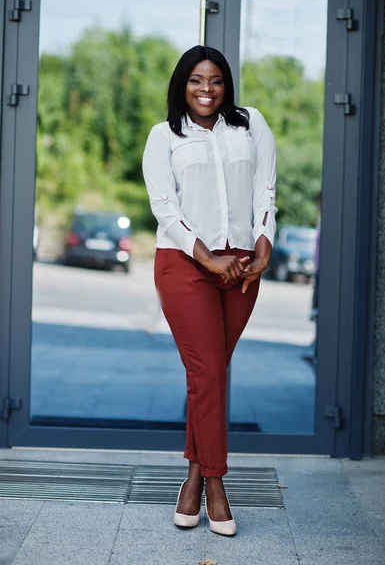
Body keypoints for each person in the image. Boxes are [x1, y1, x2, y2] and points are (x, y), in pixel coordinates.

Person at [142, 45, 277, 536]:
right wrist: (206, 256)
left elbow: (265, 189)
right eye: (196, 80)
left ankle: (195, 472)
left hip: (240, 267)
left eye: (215, 80)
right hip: (185, 265)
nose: (206, 89)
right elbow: (165, 208)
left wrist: (263, 245)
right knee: (206, 370)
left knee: (210, 375)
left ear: (226, 85)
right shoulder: (164, 137)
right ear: (183, 85)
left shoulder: (251, 124)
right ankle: (216, 483)